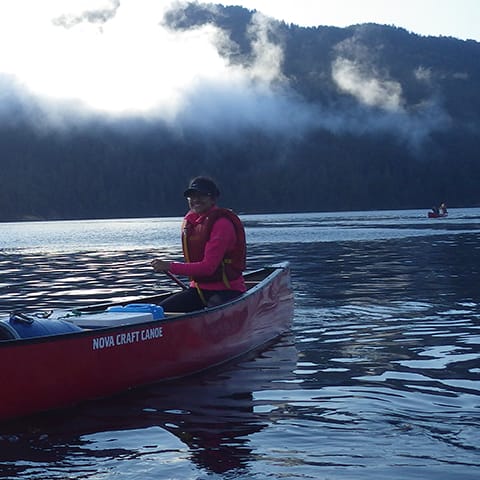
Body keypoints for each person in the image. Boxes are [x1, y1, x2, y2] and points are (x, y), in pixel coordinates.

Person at [151, 176, 247, 312]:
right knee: (160, 311)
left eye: (202, 195)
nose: (196, 199)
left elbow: (208, 268)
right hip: (199, 290)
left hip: (228, 290)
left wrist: (169, 266)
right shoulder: (193, 223)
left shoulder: (222, 224)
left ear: (213, 199)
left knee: (213, 305)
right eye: (192, 196)